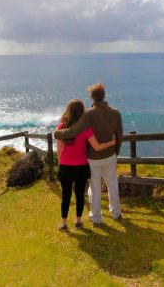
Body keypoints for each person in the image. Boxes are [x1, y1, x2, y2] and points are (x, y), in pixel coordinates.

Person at [55, 83, 123, 225]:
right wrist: (115, 151)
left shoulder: (88, 114)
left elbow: (73, 131)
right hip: (109, 155)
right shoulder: (116, 112)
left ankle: (96, 217)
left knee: (95, 187)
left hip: (93, 158)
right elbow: (119, 136)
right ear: (104, 95)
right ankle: (116, 213)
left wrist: (58, 133)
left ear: (92, 97)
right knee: (112, 184)